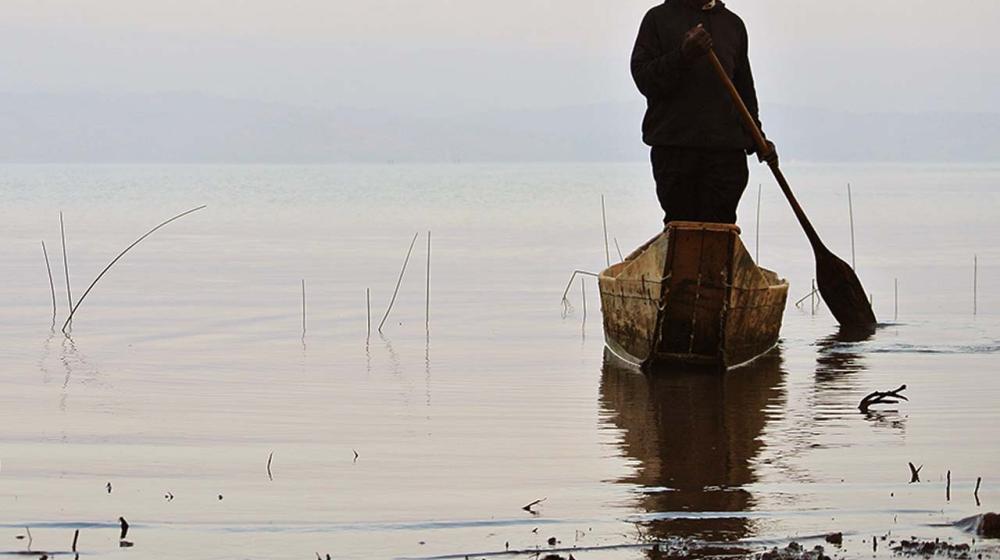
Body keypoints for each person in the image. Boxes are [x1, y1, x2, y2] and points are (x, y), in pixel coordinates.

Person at [631, 0, 777, 227]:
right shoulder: (657, 19)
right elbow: (645, 80)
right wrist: (683, 55)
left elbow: (744, 90)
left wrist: (757, 137)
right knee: (682, 231)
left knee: (721, 231)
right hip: (675, 152)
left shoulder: (733, 25)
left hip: (727, 156)